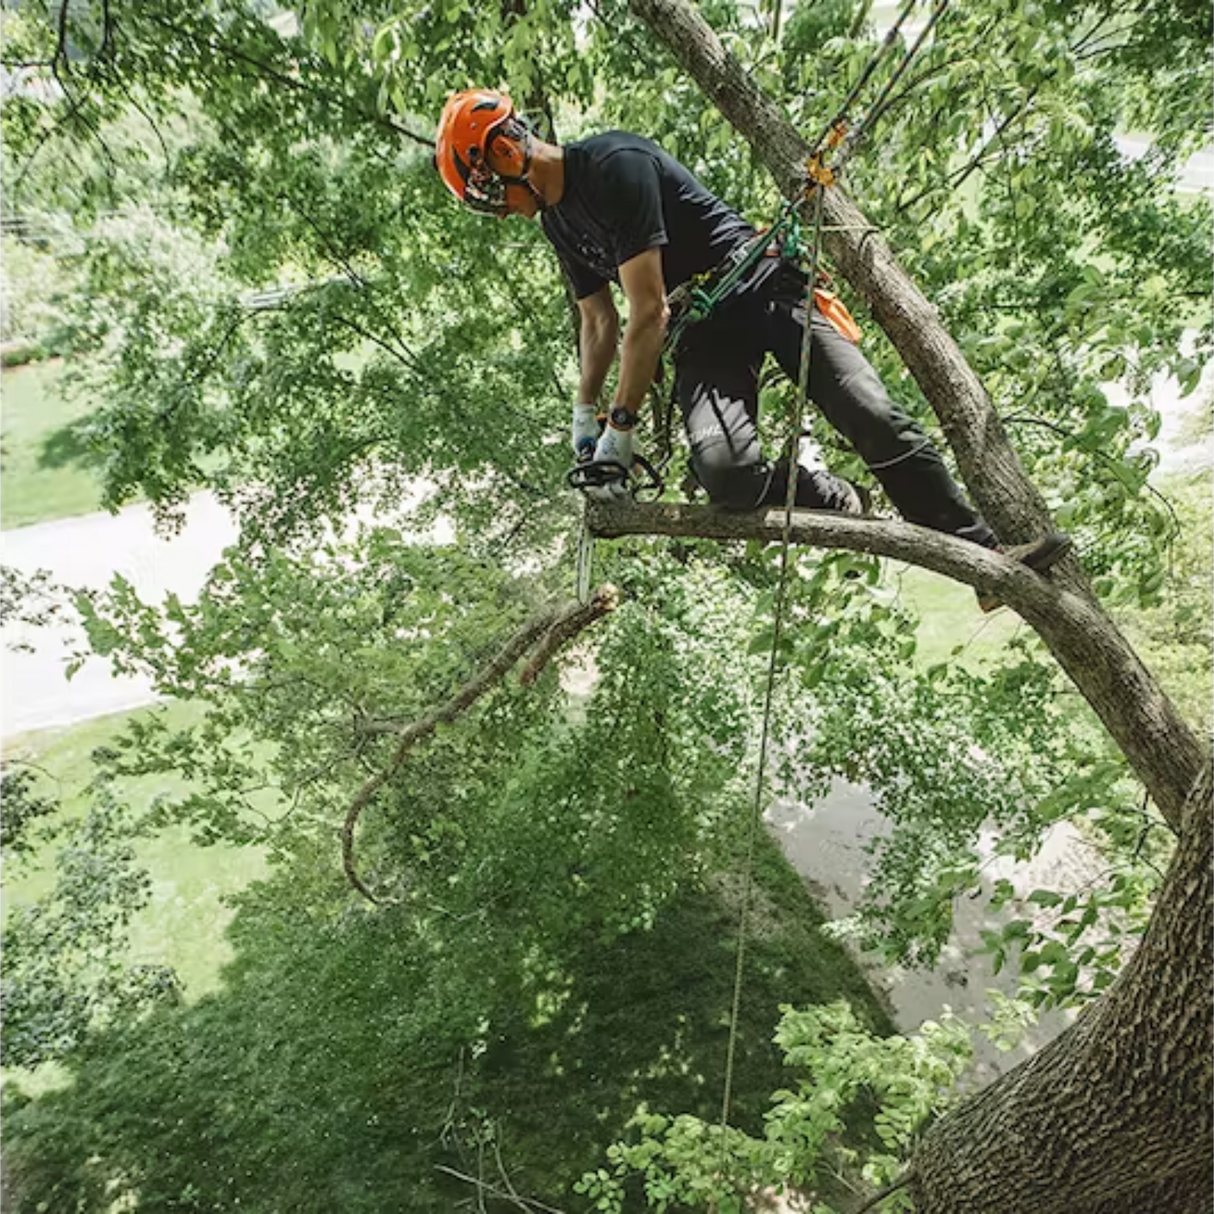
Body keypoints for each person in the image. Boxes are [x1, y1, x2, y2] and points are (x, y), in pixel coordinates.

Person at [433, 89, 1069, 603]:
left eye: (491, 192)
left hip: (762, 284)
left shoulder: (613, 167)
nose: (502, 211)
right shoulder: (557, 221)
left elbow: (644, 312)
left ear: (509, 152)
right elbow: (597, 321)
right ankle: (830, 496)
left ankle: (983, 555)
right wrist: (585, 410)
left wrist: (621, 427)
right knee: (726, 475)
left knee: (869, 413)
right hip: (706, 326)